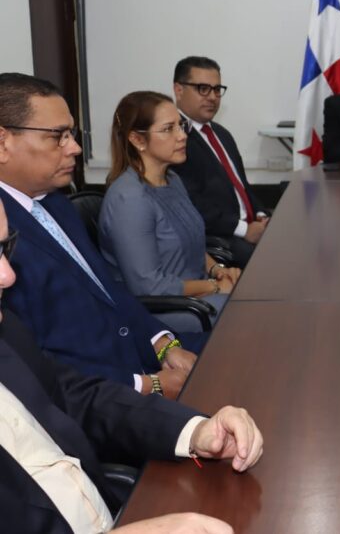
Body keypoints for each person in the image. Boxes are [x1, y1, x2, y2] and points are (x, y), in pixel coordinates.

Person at [0, 197, 262, 533]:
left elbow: (77, 399)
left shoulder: (9, 333)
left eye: (6, 248)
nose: (8, 276)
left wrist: (195, 430)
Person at [0, 73, 199, 399]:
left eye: (72, 134)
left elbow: (108, 288)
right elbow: (34, 360)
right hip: (98, 397)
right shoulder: (4, 231)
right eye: (58, 136)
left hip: (139, 354)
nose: (75, 148)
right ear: (3, 142)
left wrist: (164, 344)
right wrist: (148, 386)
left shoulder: (55, 203)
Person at [100, 92, 241, 315]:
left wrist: (217, 270)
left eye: (181, 125)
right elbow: (150, 287)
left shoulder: (173, 180)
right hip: (165, 312)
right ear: (137, 139)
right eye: (168, 129)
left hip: (196, 296)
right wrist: (214, 287)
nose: (182, 136)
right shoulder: (129, 200)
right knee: (246, 313)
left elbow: (190, 243)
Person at [171, 56, 269, 268]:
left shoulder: (221, 133)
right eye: (203, 88)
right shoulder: (175, 139)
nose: (213, 97)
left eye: (217, 90)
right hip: (219, 238)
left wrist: (261, 216)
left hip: (249, 227)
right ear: (179, 90)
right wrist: (244, 230)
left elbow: (241, 186)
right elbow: (190, 203)